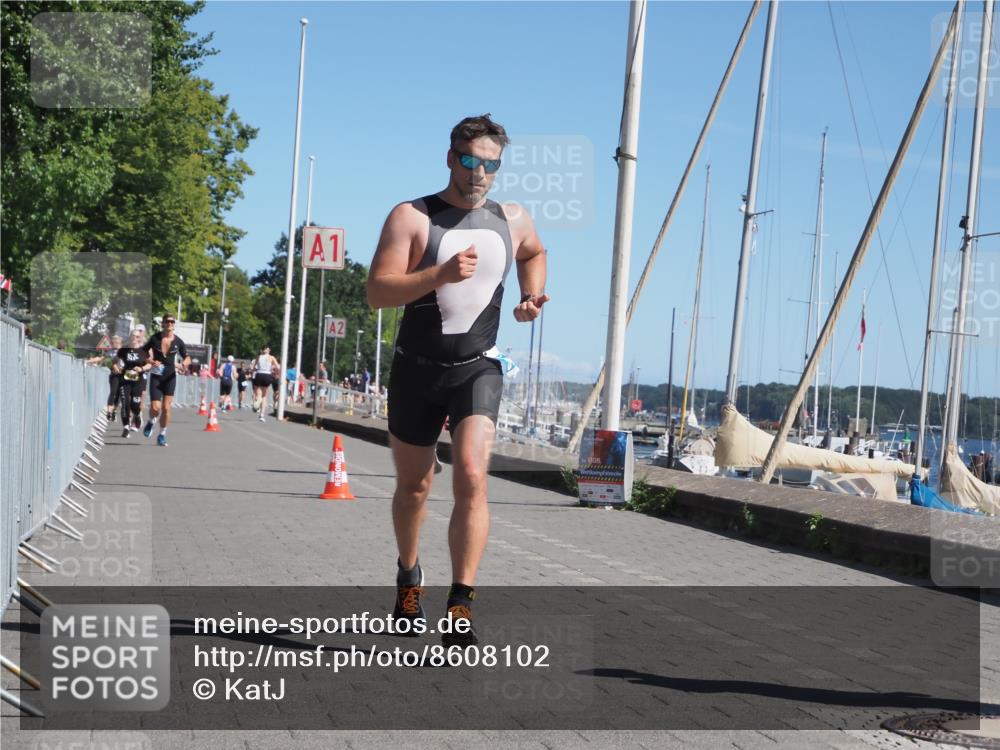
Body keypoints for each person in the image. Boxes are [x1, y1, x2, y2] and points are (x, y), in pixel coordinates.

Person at [366, 114, 549, 646]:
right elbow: (378, 292)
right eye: (470, 161)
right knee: (414, 485)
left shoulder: (511, 218)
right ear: (450, 157)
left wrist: (529, 296)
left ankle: (461, 604)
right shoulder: (413, 217)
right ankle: (408, 575)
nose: (479, 174)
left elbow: (534, 252)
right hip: (415, 370)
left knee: (471, 473)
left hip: (477, 366)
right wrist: (438, 275)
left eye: (490, 165)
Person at [142, 315, 190, 447]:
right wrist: (151, 361)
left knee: (166, 408)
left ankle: (162, 434)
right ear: (162, 324)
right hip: (156, 376)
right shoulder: (155, 338)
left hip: (170, 377)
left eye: (172, 322)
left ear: (174, 325)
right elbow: (143, 352)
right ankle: (151, 421)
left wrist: (184, 365)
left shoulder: (178, 342)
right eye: (167, 321)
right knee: (155, 407)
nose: (169, 323)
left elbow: (187, 357)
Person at [113, 329, 152, 438]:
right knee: (125, 403)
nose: (135, 338)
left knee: (135, 404)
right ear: (130, 337)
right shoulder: (123, 350)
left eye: (137, 337)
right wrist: (115, 366)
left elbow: (149, 365)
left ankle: (138, 414)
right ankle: (126, 427)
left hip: (138, 380)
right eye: (133, 336)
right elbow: (115, 360)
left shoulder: (143, 350)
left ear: (140, 338)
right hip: (125, 379)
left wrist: (142, 368)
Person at [251, 346, 278, 422]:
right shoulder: (271, 357)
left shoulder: (258, 357)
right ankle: (262, 415)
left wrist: (253, 372)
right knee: (264, 395)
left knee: (258, 394)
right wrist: (277, 373)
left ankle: (257, 402)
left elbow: (253, 367)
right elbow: (278, 366)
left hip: (259, 374)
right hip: (267, 375)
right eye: (268, 349)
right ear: (267, 350)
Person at [101, 335, 124, 420]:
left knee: (119, 394)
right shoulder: (110, 352)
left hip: (123, 374)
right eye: (114, 343)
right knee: (113, 392)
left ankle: (114, 410)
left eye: (117, 343)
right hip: (114, 374)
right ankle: (109, 411)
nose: (115, 344)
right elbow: (103, 359)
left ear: (120, 343)